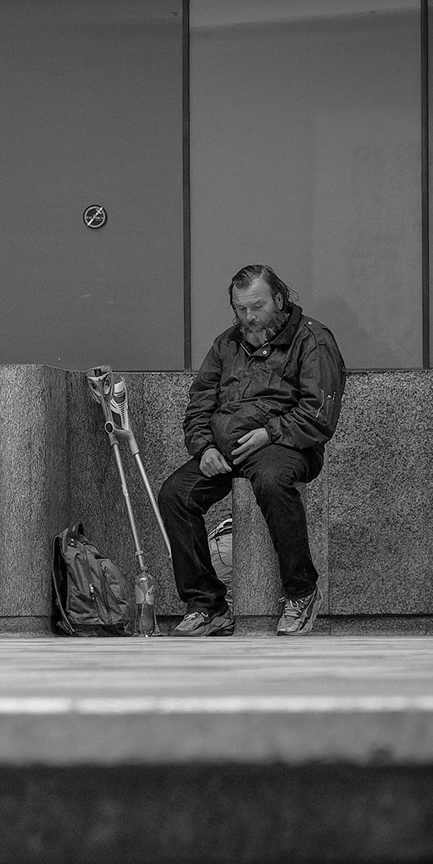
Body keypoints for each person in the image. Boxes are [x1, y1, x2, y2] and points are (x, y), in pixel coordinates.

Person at [157, 264, 345, 637]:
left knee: (273, 481)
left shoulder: (313, 340)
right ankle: (208, 606)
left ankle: (301, 592)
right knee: (175, 495)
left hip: (286, 444)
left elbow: (318, 414)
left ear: (279, 298)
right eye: (241, 309)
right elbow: (199, 405)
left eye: (257, 307)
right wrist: (204, 446)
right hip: (225, 449)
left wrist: (269, 433)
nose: (249, 317)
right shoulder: (227, 343)